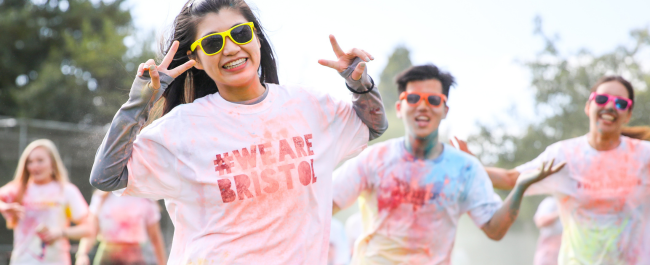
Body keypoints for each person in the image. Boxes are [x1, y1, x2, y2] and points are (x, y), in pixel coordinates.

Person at [88, 0, 388, 264]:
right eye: (212, 43)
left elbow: (373, 126)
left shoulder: (309, 107)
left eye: (240, 33)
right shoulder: (182, 128)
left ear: (256, 36)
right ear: (196, 59)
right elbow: (107, 177)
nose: (231, 48)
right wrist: (138, 104)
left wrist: (360, 85)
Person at [331, 64, 563, 264]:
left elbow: (495, 230)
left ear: (445, 110)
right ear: (400, 108)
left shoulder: (466, 168)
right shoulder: (374, 158)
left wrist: (519, 188)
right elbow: (325, 203)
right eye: (413, 98)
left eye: (433, 100)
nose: (423, 106)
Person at [481, 76, 650, 264]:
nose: (610, 107)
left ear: (628, 115)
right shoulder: (565, 155)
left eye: (620, 103)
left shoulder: (644, 157)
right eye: (602, 99)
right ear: (588, 106)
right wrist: (468, 166)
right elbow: (511, 178)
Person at [0, 139, 91, 264]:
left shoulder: (66, 191)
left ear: (52, 163)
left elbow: (89, 229)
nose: (34, 166)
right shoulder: (18, 189)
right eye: (30, 162)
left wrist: (60, 232)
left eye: (40, 161)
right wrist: (3, 207)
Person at [74, 191, 166, 265]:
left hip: (134, 258)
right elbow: (91, 230)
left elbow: (155, 237)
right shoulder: (102, 197)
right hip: (108, 257)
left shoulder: (146, 198)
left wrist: (163, 263)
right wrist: (82, 254)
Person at [533, 197, 562, 265]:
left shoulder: (576, 204)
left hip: (563, 250)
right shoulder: (550, 202)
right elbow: (540, 222)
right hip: (547, 252)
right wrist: (560, 212)